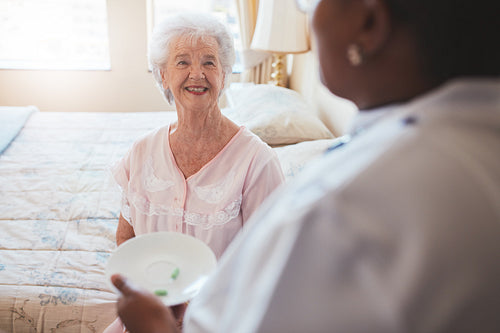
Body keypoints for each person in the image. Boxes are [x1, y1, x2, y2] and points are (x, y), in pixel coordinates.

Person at [110, 0, 500, 332]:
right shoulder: (479, 145)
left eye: (309, 5)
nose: (310, 22)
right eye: (182, 62)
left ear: (369, 24)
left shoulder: (339, 206)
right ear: (162, 73)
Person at [104, 12, 285, 333]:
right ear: (162, 75)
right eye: (183, 62)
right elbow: (126, 236)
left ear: (226, 75)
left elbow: (269, 262)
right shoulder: (141, 152)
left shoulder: (257, 160)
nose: (197, 74)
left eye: (209, 62)